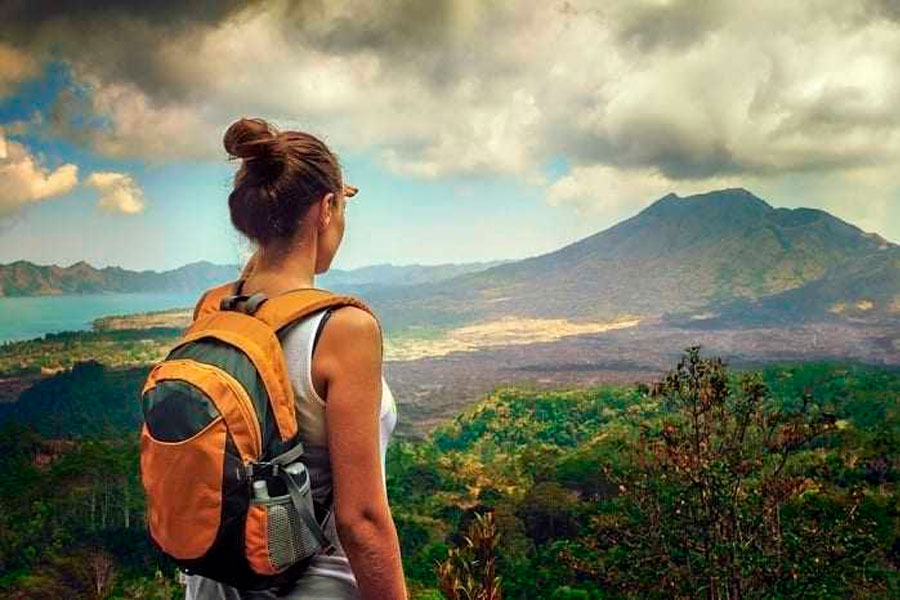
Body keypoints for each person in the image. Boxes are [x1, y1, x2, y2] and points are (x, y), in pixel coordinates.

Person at [184, 117, 408, 600]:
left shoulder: (214, 309)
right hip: (313, 587)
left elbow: (263, 284)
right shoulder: (344, 329)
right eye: (339, 208)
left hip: (212, 586)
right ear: (327, 208)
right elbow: (361, 519)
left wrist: (306, 201)